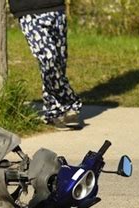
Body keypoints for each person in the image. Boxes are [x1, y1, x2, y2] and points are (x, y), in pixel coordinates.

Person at [9, 0, 83, 129]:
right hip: (29, 12)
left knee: (59, 64)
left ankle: (54, 113)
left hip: (56, 8)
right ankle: (69, 102)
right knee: (49, 59)